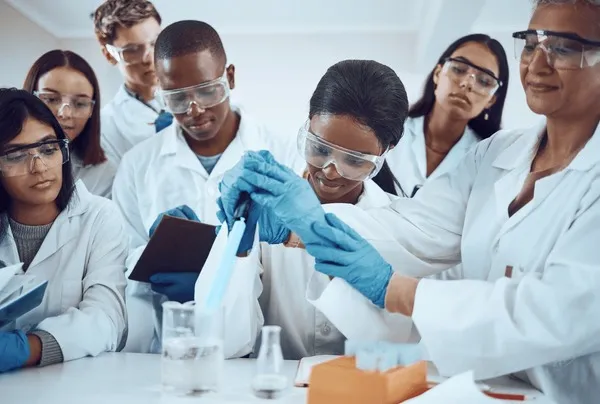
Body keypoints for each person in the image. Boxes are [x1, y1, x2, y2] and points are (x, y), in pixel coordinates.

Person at [217, 0, 600, 402]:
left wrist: (398, 290)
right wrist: (299, 225)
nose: (537, 65)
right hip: (487, 389)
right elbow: (415, 231)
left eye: (564, 48)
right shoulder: (496, 154)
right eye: (531, 43)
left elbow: (555, 312)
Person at [197, 59, 410, 360]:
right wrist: (238, 247)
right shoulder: (262, 206)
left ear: (386, 151)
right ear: (307, 123)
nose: (330, 171)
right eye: (320, 149)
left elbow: (403, 345)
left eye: (354, 160)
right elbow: (219, 341)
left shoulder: (401, 225)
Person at [111, 20, 301, 354]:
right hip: (166, 345)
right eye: (177, 98)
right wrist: (153, 253)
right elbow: (122, 260)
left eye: (206, 90)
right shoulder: (137, 165)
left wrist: (220, 273)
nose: (194, 109)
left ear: (229, 77)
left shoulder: (282, 153)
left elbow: (293, 260)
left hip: (257, 347)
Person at [0, 89, 127, 372]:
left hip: (72, 387)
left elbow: (107, 320)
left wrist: (27, 348)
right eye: (16, 155)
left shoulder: (100, 218)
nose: (40, 167)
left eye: (48, 149)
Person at [375, 34, 509, 198]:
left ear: (492, 99)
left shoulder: (485, 160)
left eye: (484, 81)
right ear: (438, 73)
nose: (467, 83)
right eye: (459, 69)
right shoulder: (386, 127)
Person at [23, 50, 117, 198]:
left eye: (80, 103)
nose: (65, 114)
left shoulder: (105, 175)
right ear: (29, 98)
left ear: (92, 109)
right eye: (51, 99)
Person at [93, 0, 172, 165]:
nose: (149, 58)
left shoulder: (194, 95)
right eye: (132, 50)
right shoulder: (105, 128)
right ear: (109, 55)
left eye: (154, 43)